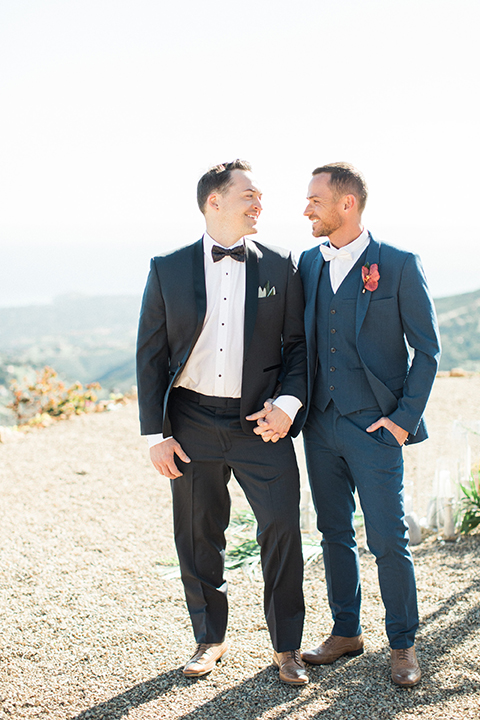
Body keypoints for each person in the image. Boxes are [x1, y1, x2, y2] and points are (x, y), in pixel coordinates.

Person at [255, 162, 441, 687]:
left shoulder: (399, 265)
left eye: (315, 199)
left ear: (347, 204)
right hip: (321, 427)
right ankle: (346, 632)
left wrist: (403, 421)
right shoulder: (309, 266)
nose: (306, 208)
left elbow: (427, 350)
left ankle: (403, 645)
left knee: (387, 538)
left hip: (376, 429)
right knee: (333, 534)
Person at [136, 160, 309, 684]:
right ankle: (209, 639)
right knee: (197, 533)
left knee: (281, 525)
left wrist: (288, 404)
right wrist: (156, 433)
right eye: (249, 195)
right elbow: (150, 354)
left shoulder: (282, 265)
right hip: (190, 420)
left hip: (261, 422)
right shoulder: (167, 267)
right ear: (215, 201)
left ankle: (287, 648)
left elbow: (298, 348)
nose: (260, 204)